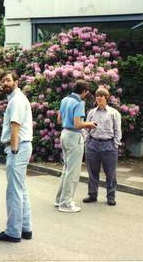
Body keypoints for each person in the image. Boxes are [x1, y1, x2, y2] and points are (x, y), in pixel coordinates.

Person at [0, 71, 33, 242]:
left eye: (8, 80)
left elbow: (15, 127)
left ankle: (13, 232)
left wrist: (14, 150)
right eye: (3, 81)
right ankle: (25, 228)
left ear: (17, 82)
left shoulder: (16, 101)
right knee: (21, 189)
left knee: (13, 191)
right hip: (23, 147)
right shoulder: (18, 99)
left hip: (18, 148)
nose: (5, 83)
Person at [55, 80, 97, 213]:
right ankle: (66, 204)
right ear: (84, 91)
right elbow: (78, 124)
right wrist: (89, 124)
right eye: (86, 92)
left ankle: (59, 200)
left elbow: (59, 120)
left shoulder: (64, 100)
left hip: (64, 134)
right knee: (73, 172)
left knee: (66, 169)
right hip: (74, 136)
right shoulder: (79, 103)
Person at [82, 87, 122, 206]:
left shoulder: (114, 113)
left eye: (101, 95)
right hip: (92, 144)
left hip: (109, 145)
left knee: (110, 173)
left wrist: (115, 145)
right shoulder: (91, 112)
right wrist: (87, 141)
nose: (98, 98)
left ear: (106, 98)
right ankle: (92, 195)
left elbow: (117, 130)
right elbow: (85, 128)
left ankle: (111, 196)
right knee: (92, 172)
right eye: (97, 95)